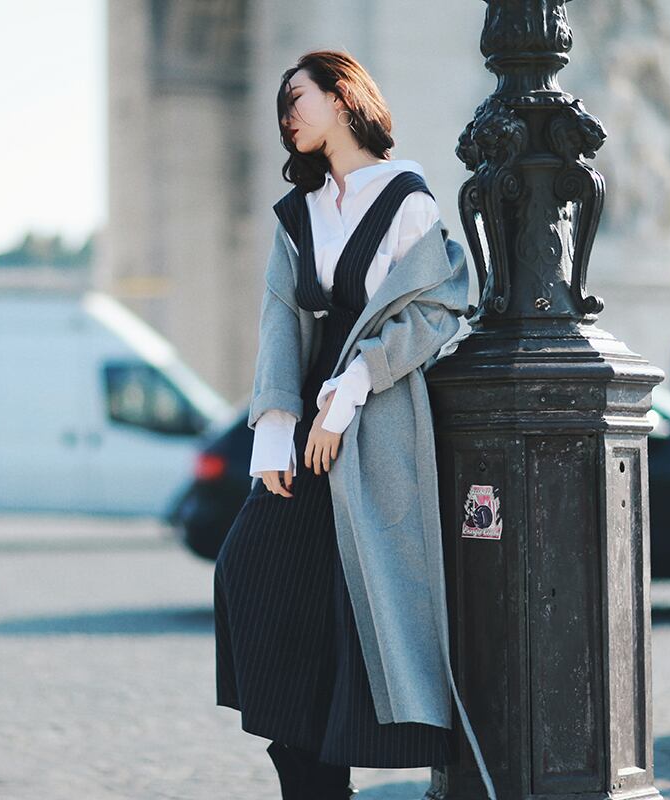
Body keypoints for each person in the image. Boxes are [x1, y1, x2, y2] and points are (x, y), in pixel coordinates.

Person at [213, 50, 497, 800]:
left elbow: (437, 310)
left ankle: (323, 778)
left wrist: (350, 392)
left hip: (378, 418)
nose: (287, 115)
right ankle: (303, 766)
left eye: (297, 98)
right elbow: (281, 319)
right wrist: (275, 427)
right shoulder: (299, 212)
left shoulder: (406, 199)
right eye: (283, 105)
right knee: (251, 569)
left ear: (342, 99)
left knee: (349, 602)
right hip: (305, 417)